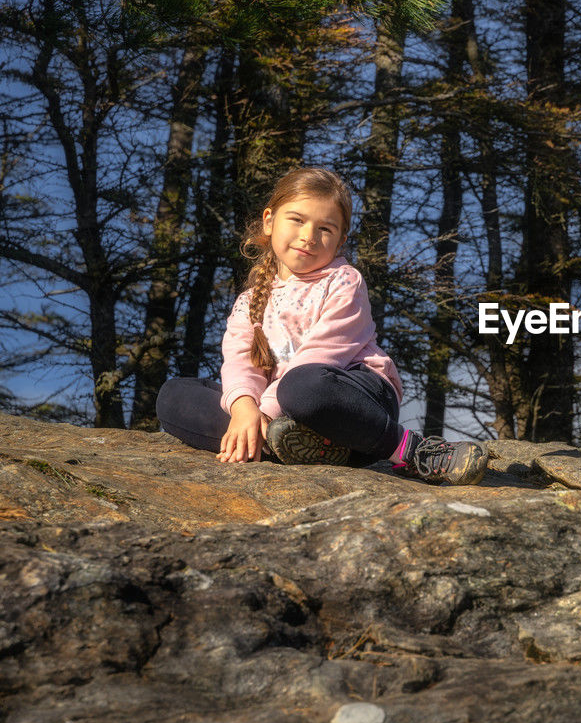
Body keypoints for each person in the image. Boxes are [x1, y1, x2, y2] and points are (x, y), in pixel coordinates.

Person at [156, 166, 488, 486]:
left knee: (303, 385)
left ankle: (411, 450)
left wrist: (265, 411)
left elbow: (321, 356)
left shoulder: (345, 282)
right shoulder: (248, 301)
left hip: (352, 400)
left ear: (340, 240)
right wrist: (245, 409)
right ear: (269, 221)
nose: (308, 237)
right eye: (297, 220)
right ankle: (286, 444)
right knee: (174, 395)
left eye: (325, 229)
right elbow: (240, 363)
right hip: (294, 420)